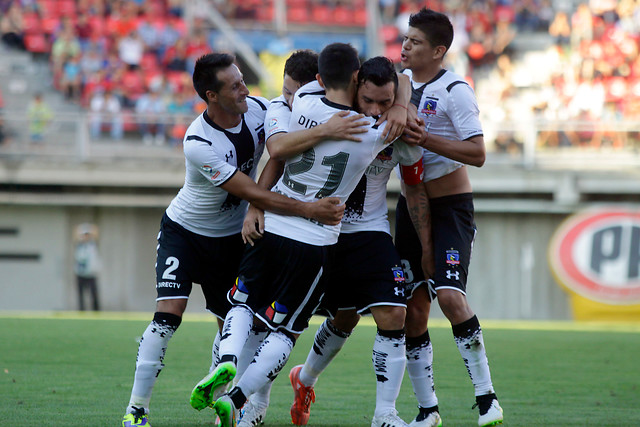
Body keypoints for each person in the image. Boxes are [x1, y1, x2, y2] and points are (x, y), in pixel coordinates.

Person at [121, 52, 345, 427]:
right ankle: (137, 409)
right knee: (167, 316)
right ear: (212, 96)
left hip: (233, 238)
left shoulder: (260, 109)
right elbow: (247, 189)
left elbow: (284, 150)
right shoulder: (198, 142)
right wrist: (308, 210)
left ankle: (227, 407)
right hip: (186, 234)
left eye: (243, 80)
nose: (245, 89)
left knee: (237, 327)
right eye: (235, 85)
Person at [190, 43, 407, 427]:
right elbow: (400, 90)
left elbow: (276, 149)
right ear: (357, 79)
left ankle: (226, 362)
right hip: (315, 239)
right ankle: (239, 399)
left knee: (241, 304)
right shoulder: (374, 132)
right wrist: (399, 105)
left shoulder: (303, 99)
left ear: (319, 79)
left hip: (273, 222)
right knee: (285, 331)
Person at [395, 8, 503, 427]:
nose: (405, 46)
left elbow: (478, 153)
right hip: (410, 205)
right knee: (410, 311)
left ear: (439, 51)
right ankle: (427, 410)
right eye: (405, 39)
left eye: (415, 42)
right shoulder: (399, 86)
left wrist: (428, 139)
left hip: (451, 207)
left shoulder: (456, 90)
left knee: (450, 297)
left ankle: (487, 399)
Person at [73, 223, 101, 311]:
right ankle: (81, 311)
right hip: (80, 273)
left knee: (94, 294)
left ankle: (96, 311)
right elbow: (75, 234)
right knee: (80, 295)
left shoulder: (92, 245)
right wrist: (81, 229)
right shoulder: (79, 245)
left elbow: (96, 232)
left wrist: (90, 228)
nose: (86, 237)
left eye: (87, 235)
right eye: (84, 235)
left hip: (91, 274)